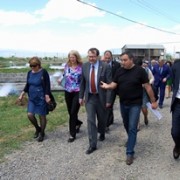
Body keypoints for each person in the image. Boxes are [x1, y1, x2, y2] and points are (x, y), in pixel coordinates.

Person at [100, 51, 158, 165]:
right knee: (126, 124)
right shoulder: (119, 71)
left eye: (125, 60)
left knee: (132, 127)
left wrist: (153, 101)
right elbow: (114, 84)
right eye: (121, 60)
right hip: (123, 103)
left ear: (131, 60)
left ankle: (130, 152)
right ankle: (131, 139)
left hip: (135, 104)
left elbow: (147, 86)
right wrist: (107, 86)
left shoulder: (140, 71)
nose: (123, 62)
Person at [79, 47, 112, 154]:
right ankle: (92, 144)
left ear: (97, 56)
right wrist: (80, 96)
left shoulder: (105, 66)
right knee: (90, 120)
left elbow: (109, 83)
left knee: (102, 119)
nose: (91, 58)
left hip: (101, 97)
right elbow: (82, 83)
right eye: (89, 56)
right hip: (90, 97)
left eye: (93, 56)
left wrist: (108, 100)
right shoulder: (85, 66)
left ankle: (101, 131)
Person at [18, 57, 51, 142]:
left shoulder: (43, 72)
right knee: (30, 115)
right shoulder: (29, 73)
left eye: (34, 65)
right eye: (30, 65)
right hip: (32, 98)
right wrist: (22, 93)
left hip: (41, 98)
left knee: (41, 116)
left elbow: (47, 85)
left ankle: (42, 133)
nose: (32, 67)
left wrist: (47, 95)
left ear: (38, 65)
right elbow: (27, 85)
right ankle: (38, 128)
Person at [58, 50, 83, 143]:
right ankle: (78, 123)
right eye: (70, 57)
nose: (72, 59)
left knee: (73, 112)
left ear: (77, 57)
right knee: (70, 111)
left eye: (73, 57)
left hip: (77, 91)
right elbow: (64, 75)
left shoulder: (82, 67)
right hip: (68, 91)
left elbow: (84, 80)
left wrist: (83, 94)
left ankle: (72, 134)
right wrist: (60, 80)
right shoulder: (66, 66)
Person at [102, 50, 120, 131]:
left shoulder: (116, 64)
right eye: (106, 56)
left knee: (108, 105)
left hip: (113, 87)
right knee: (107, 105)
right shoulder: (101, 64)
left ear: (111, 57)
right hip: (103, 87)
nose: (107, 57)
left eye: (108, 56)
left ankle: (106, 125)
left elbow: (119, 75)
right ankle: (110, 119)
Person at [170, 59, 180, 159]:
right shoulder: (176, 66)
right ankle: (178, 146)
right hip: (178, 103)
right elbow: (172, 81)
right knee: (175, 132)